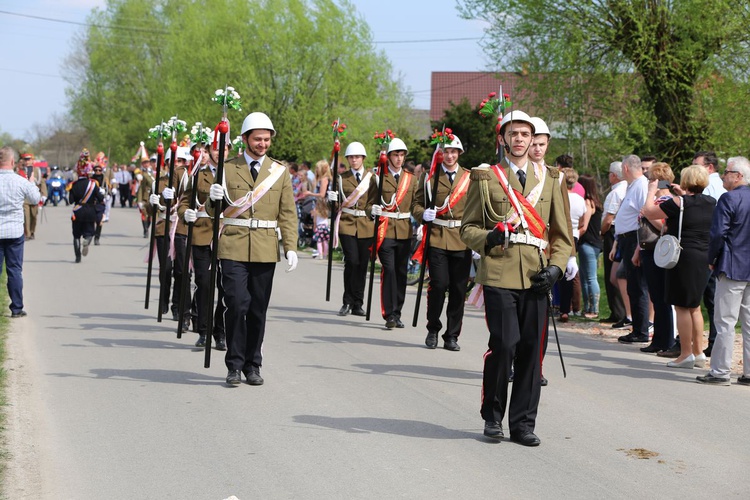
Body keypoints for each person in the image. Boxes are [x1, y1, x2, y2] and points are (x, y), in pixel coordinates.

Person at [460, 110, 573, 446]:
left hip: (537, 274)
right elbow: (468, 229)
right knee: (504, 344)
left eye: (526, 134)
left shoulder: (552, 179)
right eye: (513, 134)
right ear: (503, 139)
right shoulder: (486, 177)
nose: (520, 139)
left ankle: (522, 424)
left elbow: (563, 235)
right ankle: (492, 416)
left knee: (530, 351)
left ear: (533, 138)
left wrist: (556, 267)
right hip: (497, 270)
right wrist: (487, 239)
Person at [207, 111, 298, 386]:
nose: (262, 144)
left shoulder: (279, 172)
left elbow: (288, 213)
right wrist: (212, 199)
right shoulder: (227, 168)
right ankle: (233, 365)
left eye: (266, 139)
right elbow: (216, 210)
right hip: (233, 244)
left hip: (265, 247)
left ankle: (252, 364)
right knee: (236, 303)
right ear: (245, 139)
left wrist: (290, 247)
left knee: (258, 308)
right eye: (257, 139)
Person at [642, 165, 715, 369]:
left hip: (683, 255)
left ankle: (685, 354)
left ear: (685, 181)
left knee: (681, 306)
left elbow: (648, 212)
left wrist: (651, 190)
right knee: (695, 306)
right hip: (703, 255)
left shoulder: (677, 202)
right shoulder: (711, 202)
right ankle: (699, 352)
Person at [412, 135, 472, 351]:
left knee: (458, 289)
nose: (450, 155)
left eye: (454, 152)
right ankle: (433, 329)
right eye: (446, 152)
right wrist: (422, 215)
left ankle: (452, 335)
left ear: (459, 154)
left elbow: (474, 208)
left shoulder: (469, 177)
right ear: (440, 154)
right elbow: (417, 204)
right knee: (438, 285)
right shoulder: (429, 178)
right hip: (436, 236)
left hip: (462, 239)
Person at [697, 156, 750, 385]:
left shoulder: (728, 198)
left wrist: (711, 258)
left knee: (725, 321)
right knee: (748, 322)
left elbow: (718, 233)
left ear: (738, 176)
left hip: (731, 264)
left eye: (727, 172)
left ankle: (720, 371)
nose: (723, 176)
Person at [179, 142, 227, 351]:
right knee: (205, 284)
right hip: (202, 234)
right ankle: (204, 330)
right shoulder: (199, 175)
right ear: (209, 152)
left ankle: (221, 332)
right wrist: (185, 214)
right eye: (215, 149)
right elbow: (184, 202)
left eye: (224, 149)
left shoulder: (236, 173)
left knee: (226, 289)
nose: (220, 152)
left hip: (228, 236)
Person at [367, 137, 418, 329]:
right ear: (388, 156)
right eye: (395, 154)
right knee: (388, 270)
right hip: (385, 229)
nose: (399, 158)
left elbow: (416, 204)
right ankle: (388, 313)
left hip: (405, 231)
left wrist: (424, 219)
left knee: (401, 272)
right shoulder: (378, 177)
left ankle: (397, 313)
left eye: (402, 155)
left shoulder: (411, 179)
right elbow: (368, 204)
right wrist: (372, 211)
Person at [329, 142, 374, 317]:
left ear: (363, 158)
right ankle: (347, 301)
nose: (354, 160)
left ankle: (358, 303)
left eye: (357, 157)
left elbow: (375, 199)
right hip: (347, 223)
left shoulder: (372, 178)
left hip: (366, 223)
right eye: (351, 157)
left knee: (362, 264)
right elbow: (333, 206)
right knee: (352, 261)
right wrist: (331, 200)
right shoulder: (341, 178)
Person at [636, 162, 676, 354]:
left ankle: (665, 340)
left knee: (661, 298)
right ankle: (659, 339)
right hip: (648, 249)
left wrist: (647, 210)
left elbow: (663, 226)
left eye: (651, 178)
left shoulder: (666, 201)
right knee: (656, 296)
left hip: (658, 251)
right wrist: (638, 250)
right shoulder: (656, 200)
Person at [613, 155, 650, 344]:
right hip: (627, 239)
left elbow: (645, 216)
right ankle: (638, 328)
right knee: (633, 286)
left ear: (626, 168)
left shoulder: (641, 185)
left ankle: (642, 330)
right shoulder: (633, 185)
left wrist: (638, 246)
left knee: (638, 286)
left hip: (635, 238)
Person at [0, 146, 40, 317]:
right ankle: (16, 308)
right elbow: (35, 199)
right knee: (14, 270)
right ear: (13, 162)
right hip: (14, 231)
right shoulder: (20, 181)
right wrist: (31, 181)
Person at [693, 151, 725, 357]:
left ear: (710, 167)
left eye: (697, 165)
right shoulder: (715, 185)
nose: (693, 168)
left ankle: (712, 342)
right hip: (710, 246)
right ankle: (712, 342)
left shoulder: (711, 187)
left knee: (706, 298)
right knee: (710, 298)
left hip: (707, 246)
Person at [600, 161, 629, 324]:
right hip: (622, 232)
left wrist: (602, 231)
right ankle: (621, 311)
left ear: (614, 175)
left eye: (610, 174)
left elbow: (608, 219)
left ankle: (618, 311)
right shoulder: (628, 188)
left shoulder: (615, 193)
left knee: (612, 271)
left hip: (613, 232)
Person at [69, 149, 105, 263]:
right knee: (89, 233)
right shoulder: (93, 184)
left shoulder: (74, 185)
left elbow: (70, 201)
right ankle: (87, 241)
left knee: (76, 235)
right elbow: (100, 199)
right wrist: (101, 193)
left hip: (78, 211)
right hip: (90, 211)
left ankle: (77, 257)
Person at [577, 174, 603, 318]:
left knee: (590, 277)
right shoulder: (596, 202)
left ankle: (593, 309)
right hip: (592, 243)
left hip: (588, 242)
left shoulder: (587, 202)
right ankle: (587, 308)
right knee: (585, 276)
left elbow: (584, 226)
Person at [20, 153, 46, 240]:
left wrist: (44, 195)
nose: (27, 161)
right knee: (26, 216)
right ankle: (27, 233)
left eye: (29, 159)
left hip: (34, 196)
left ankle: (32, 231)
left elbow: (42, 182)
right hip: (24, 198)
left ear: (32, 160)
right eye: (25, 159)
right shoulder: (20, 171)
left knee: (34, 216)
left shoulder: (37, 170)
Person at [136, 158, 155, 238]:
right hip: (145, 197)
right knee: (144, 214)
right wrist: (139, 200)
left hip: (153, 197)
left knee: (150, 215)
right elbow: (141, 188)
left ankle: (147, 227)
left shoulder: (156, 172)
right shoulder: (141, 173)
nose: (146, 164)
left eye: (147, 162)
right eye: (144, 163)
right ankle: (146, 230)